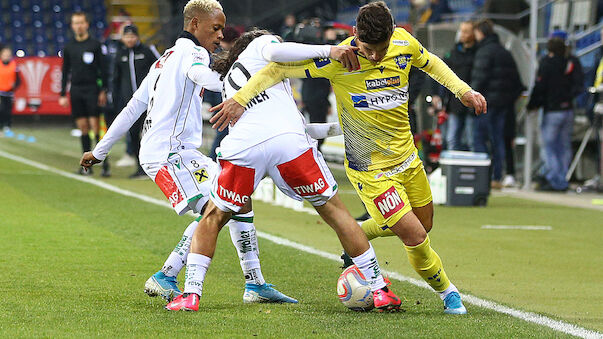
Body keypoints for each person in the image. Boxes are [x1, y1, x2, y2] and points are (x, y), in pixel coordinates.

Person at [209, 1, 487, 314]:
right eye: (369, 49)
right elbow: (277, 69)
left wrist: (463, 91)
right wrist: (240, 99)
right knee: (416, 235)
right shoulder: (340, 59)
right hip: (369, 169)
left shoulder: (404, 43)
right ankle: (449, 294)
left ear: (393, 34)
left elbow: (430, 62)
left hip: (407, 158)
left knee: (424, 224)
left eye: (381, 50)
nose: (375, 57)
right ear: (354, 34)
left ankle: (355, 234)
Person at [164, 29, 405, 312]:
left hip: (245, 148)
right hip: (288, 145)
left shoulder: (231, 79)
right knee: (335, 211)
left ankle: (192, 295)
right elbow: (277, 53)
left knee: (214, 217)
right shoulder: (262, 45)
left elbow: (284, 121)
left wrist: (340, 128)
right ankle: (379, 290)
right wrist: (329, 50)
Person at [80, 0, 297, 305]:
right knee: (217, 207)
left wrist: (99, 151)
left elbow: (133, 108)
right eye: (215, 27)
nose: (220, 35)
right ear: (195, 24)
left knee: (238, 199)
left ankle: (255, 284)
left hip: (179, 152)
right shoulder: (193, 53)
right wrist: (245, 82)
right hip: (168, 156)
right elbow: (202, 76)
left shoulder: (163, 59)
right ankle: (167, 275)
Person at [527, 33, 584, 191]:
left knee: (548, 146)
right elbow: (579, 85)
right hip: (568, 109)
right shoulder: (572, 62)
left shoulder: (547, 63)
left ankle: (554, 179)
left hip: (552, 110)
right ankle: (562, 178)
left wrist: (532, 105)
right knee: (564, 146)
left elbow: (540, 87)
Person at [471, 19, 522, 189]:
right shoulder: (504, 52)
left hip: (486, 105)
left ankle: (482, 175)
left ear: (480, 33)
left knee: (479, 140)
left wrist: (470, 98)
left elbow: (479, 79)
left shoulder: (484, 51)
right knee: (498, 140)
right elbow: (517, 82)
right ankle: (496, 175)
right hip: (503, 106)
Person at [60, 12, 109, 176]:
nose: (78, 26)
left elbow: (104, 69)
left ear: (87, 24)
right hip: (76, 90)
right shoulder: (69, 47)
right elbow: (65, 71)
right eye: (75, 23)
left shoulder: (95, 45)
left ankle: (105, 165)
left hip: (92, 89)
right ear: (72, 26)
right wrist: (62, 94)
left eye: (81, 23)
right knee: (83, 128)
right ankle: (86, 166)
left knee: (96, 127)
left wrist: (104, 90)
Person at [113, 24, 160, 179]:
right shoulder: (120, 55)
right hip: (131, 103)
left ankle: (157, 166)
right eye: (127, 36)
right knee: (133, 134)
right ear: (122, 38)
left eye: (132, 36)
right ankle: (141, 167)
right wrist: (115, 99)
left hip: (150, 102)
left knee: (151, 133)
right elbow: (116, 79)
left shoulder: (147, 52)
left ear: (137, 37)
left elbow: (161, 69)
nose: (130, 39)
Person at [441, 21, 477, 151]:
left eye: (466, 31)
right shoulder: (454, 52)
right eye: (461, 31)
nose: (463, 34)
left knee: (472, 141)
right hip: (455, 104)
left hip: (473, 106)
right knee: (452, 139)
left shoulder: (479, 53)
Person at [0, 45, 20, 137]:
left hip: (9, 92)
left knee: (8, 110)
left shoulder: (14, 65)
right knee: (1, 109)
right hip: (0, 92)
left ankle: (7, 127)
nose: (6, 56)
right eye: (5, 54)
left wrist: (14, 86)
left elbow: (19, 80)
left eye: (8, 54)